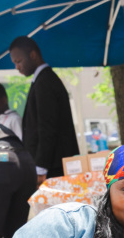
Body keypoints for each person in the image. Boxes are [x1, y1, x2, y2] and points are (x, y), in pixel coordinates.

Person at [8, 37, 79, 183]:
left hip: (53, 166)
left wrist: (40, 168)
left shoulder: (45, 82)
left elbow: (47, 128)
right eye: (14, 63)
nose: (17, 67)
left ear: (33, 55)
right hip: (52, 164)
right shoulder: (43, 80)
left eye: (19, 61)